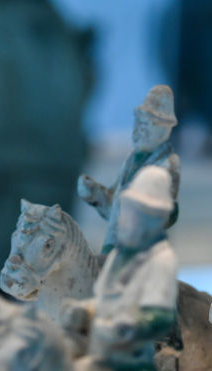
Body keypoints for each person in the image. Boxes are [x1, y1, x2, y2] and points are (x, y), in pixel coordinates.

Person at [86, 165, 179, 371]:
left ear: (152, 219)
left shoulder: (161, 260)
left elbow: (159, 315)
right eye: (125, 211)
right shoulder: (118, 256)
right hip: (98, 348)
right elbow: (101, 298)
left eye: (132, 214)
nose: (123, 220)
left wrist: (128, 326)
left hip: (132, 356)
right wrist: (84, 312)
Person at [77, 85, 180, 254]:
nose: (138, 130)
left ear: (165, 130)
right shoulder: (131, 160)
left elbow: (164, 213)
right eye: (138, 122)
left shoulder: (167, 164)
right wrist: (95, 194)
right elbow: (114, 207)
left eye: (146, 125)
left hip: (141, 249)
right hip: (114, 245)